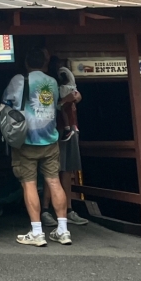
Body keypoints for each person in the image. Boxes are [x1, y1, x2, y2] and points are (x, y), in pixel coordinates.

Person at [2, 49, 72, 247]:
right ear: (44, 63)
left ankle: (37, 232)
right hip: (50, 139)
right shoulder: (51, 82)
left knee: (29, 184)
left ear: (26, 62)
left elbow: (6, 102)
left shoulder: (19, 80)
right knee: (54, 182)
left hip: (27, 140)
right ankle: (63, 230)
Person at [41, 65, 89, 229]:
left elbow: (77, 97)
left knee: (67, 171)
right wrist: (64, 100)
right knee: (51, 170)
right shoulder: (48, 87)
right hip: (54, 131)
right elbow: (48, 107)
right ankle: (45, 210)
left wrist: (74, 97)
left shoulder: (70, 87)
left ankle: (68, 210)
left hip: (71, 130)